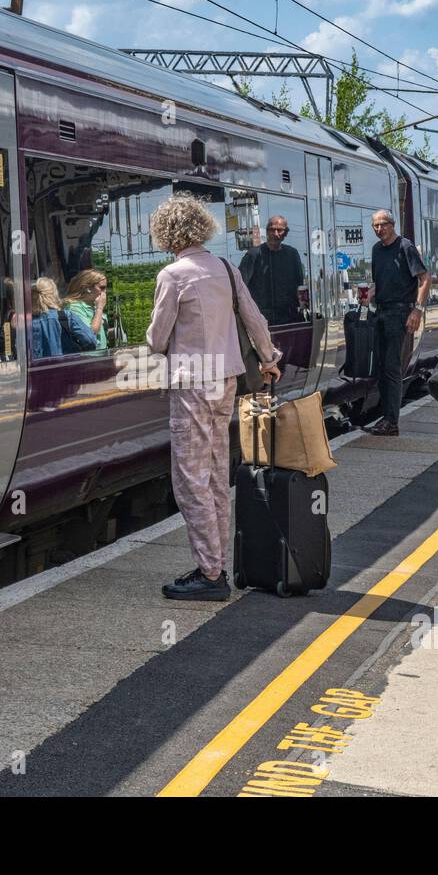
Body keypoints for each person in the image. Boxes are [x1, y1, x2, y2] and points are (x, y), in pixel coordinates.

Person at [146, 193, 281, 601]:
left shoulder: (173, 275)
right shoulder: (225, 267)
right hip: (226, 381)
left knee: (190, 479)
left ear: (168, 232)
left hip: (192, 384)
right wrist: (271, 357)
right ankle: (217, 563)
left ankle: (209, 574)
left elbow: (156, 339)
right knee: (217, 473)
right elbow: (254, 318)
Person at [367, 209, 430, 436]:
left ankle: (392, 422)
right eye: (375, 225)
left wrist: (417, 310)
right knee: (382, 367)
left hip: (400, 313)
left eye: (383, 224)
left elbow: (424, 278)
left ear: (393, 225)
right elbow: (378, 280)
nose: (379, 229)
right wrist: (371, 293)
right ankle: (386, 416)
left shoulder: (405, 247)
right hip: (381, 312)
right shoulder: (376, 250)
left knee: (392, 368)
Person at [239, 215, 304, 325]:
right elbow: (240, 286)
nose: (275, 234)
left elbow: (300, 286)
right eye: (272, 230)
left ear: (286, 233)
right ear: (267, 231)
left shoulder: (292, 254)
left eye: (280, 230)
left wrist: (303, 308)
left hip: (290, 319)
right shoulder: (253, 255)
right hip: (261, 320)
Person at [31, 276, 96, 359]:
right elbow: (90, 341)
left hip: (37, 370)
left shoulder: (27, 323)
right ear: (54, 295)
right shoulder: (66, 316)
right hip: (66, 368)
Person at [63, 270, 110, 351]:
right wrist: (100, 308)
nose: (105, 291)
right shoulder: (74, 307)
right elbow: (90, 334)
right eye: (102, 288)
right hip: (89, 357)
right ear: (87, 288)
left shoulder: (94, 304)